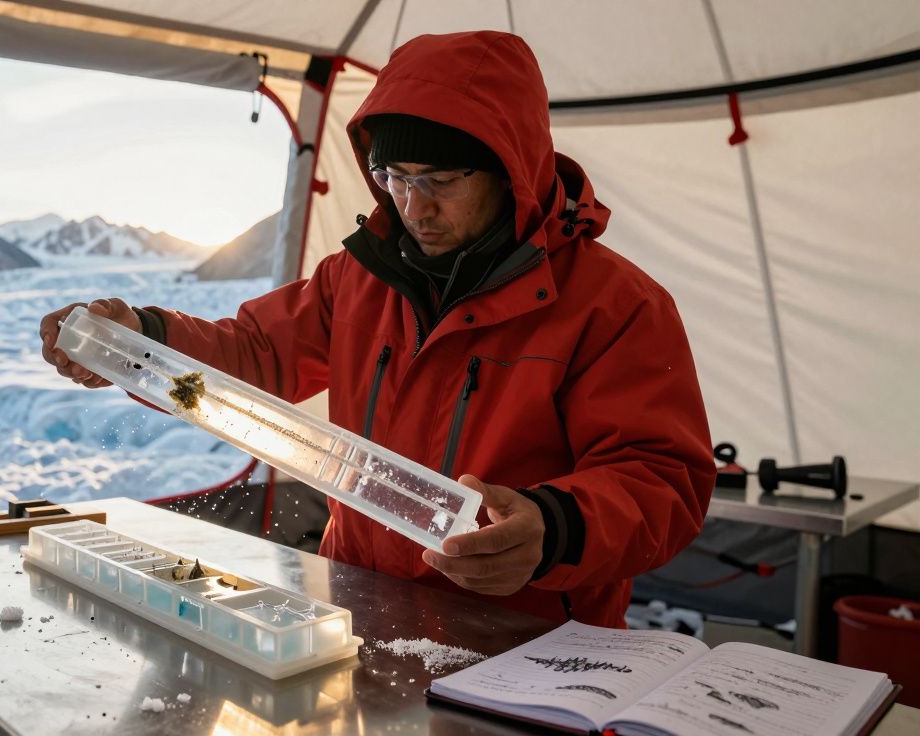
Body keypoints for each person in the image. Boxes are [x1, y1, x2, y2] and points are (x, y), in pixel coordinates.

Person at [39, 30, 715, 628]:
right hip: (362, 610)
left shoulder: (615, 305)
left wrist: (552, 529)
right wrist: (143, 340)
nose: (414, 205)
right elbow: (255, 351)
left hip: (529, 641)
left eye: (441, 179)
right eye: (393, 176)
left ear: (513, 170)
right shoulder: (358, 280)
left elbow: (661, 478)